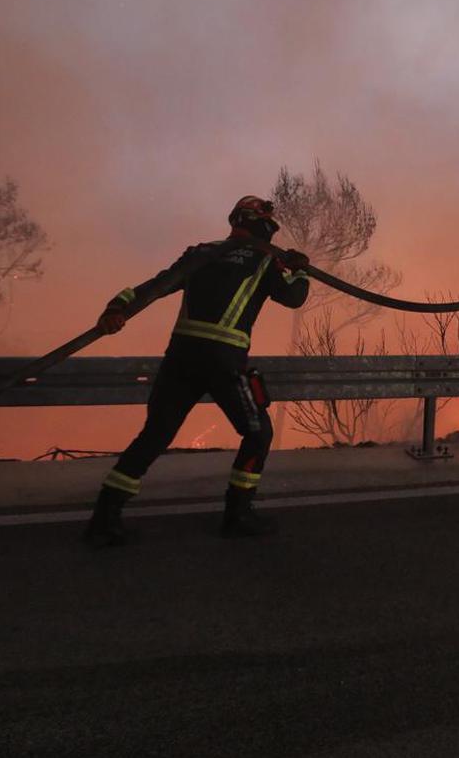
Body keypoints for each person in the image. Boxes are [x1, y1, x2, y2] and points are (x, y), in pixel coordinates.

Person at [84, 195, 309, 544]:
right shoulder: (267, 260)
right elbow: (294, 298)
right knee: (258, 433)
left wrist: (118, 308)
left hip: (181, 358)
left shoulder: (201, 253)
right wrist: (300, 269)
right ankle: (237, 514)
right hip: (224, 360)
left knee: (155, 434)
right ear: (263, 225)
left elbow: (155, 286)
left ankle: (104, 517)